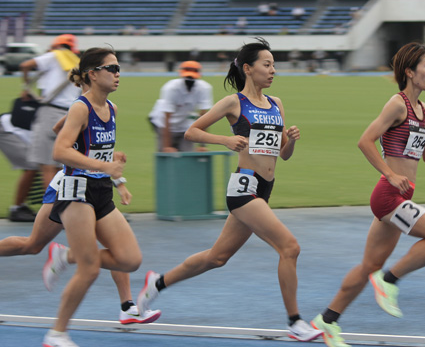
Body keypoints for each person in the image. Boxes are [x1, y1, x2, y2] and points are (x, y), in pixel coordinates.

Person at [137, 37, 322, 342]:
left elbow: (282, 155)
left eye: (274, 64)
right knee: (290, 247)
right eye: (267, 64)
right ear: (248, 69)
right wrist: (225, 140)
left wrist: (292, 140)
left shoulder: (277, 104)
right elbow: (192, 130)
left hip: (265, 187)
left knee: (217, 257)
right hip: (244, 187)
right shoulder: (234, 102)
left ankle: (157, 283)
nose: (273, 70)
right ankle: (295, 322)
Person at [310, 42, 425, 347]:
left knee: (369, 266)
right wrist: (391, 174)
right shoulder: (397, 104)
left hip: (402, 197)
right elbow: (365, 141)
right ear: (409, 71)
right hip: (389, 195)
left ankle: (326, 321)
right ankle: (390, 281)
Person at [0, 166, 160, 326]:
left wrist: (119, 182)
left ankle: (127, 306)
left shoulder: (108, 112)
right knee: (33, 245)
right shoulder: (81, 112)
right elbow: (66, 142)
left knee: (117, 250)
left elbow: (106, 155)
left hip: (96, 189)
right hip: (67, 189)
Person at [42, 47, 145, 347]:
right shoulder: (80, 107)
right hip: (77, 191)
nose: (117, 74)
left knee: (129, 260)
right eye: (111, 68)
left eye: (118, 69)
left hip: (101, 189)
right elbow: (59, 151)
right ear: (92, 73)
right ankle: (56, 333)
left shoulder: (110, 108)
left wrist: (118, 178)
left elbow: (90, 146)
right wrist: (104, 165)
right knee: (88, 270)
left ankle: (65, 255)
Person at [20, 34, 81, 191]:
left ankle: (53, 208)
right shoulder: (78, 63)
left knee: (48, 166)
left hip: (50, 113)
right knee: (65, 167)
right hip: (70, 116)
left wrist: (26, 87)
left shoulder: (54, 55)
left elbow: (25, 65)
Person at [0, 100, 40, 222]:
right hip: (4, 130)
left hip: (9, 128)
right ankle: (17, 209)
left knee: (39, 166)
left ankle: (24, 206)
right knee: (32, 166)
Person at [148, 61, 213, 152]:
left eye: (192, 77)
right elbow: (166, 117)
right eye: (187, 77)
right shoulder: (171, 88)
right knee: (166, 155)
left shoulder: (204, 88)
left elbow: (204, 116)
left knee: (187, 154)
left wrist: (202, 144)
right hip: (162, 123)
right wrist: (167, 146)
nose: (189, 80)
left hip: (184, 123)